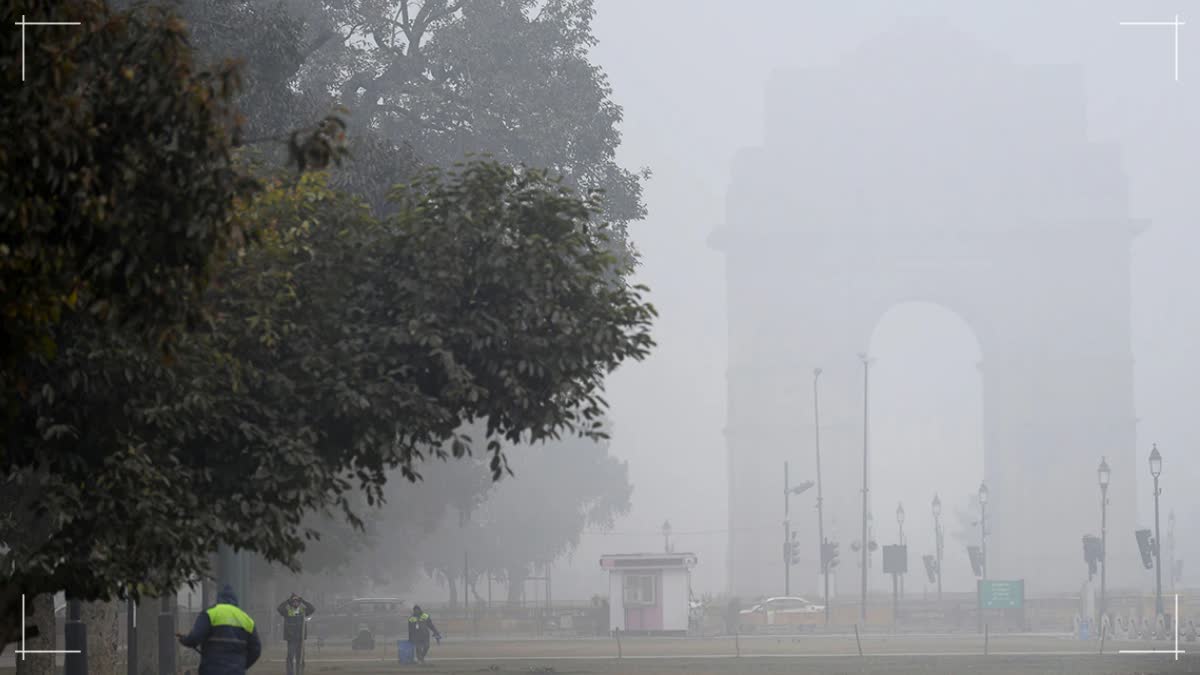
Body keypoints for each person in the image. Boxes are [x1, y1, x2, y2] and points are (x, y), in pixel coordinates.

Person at [177, 585, 262, 675]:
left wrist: (184, 639)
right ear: (236, 601)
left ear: (219, 599)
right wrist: (242, 665)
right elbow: (256, 650)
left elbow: (194, 638)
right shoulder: (247, 620)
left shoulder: (210, 613)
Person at [276, 593, 316, 675]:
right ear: (291, 602)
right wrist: (287, 601)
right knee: (290, 657)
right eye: (294, 601)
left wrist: (303, 600)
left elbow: (312, 608)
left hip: (300, 639)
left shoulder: (303, 611)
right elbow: (279, 608)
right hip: (291, 639)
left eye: (297, 601)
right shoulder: (287, 612)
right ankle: (290, 673)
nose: (296, 603)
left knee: (300, 658)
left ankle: (299, 673)